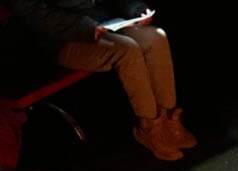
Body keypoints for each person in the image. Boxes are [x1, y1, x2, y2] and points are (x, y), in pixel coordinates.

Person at [8, 0, 196, 161]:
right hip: (62, 38)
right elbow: (35, 15)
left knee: (156, 37)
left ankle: (168, 120)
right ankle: (150, 127)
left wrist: (136, 9)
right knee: (127, 50)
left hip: (105, 23)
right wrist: (84, 27)